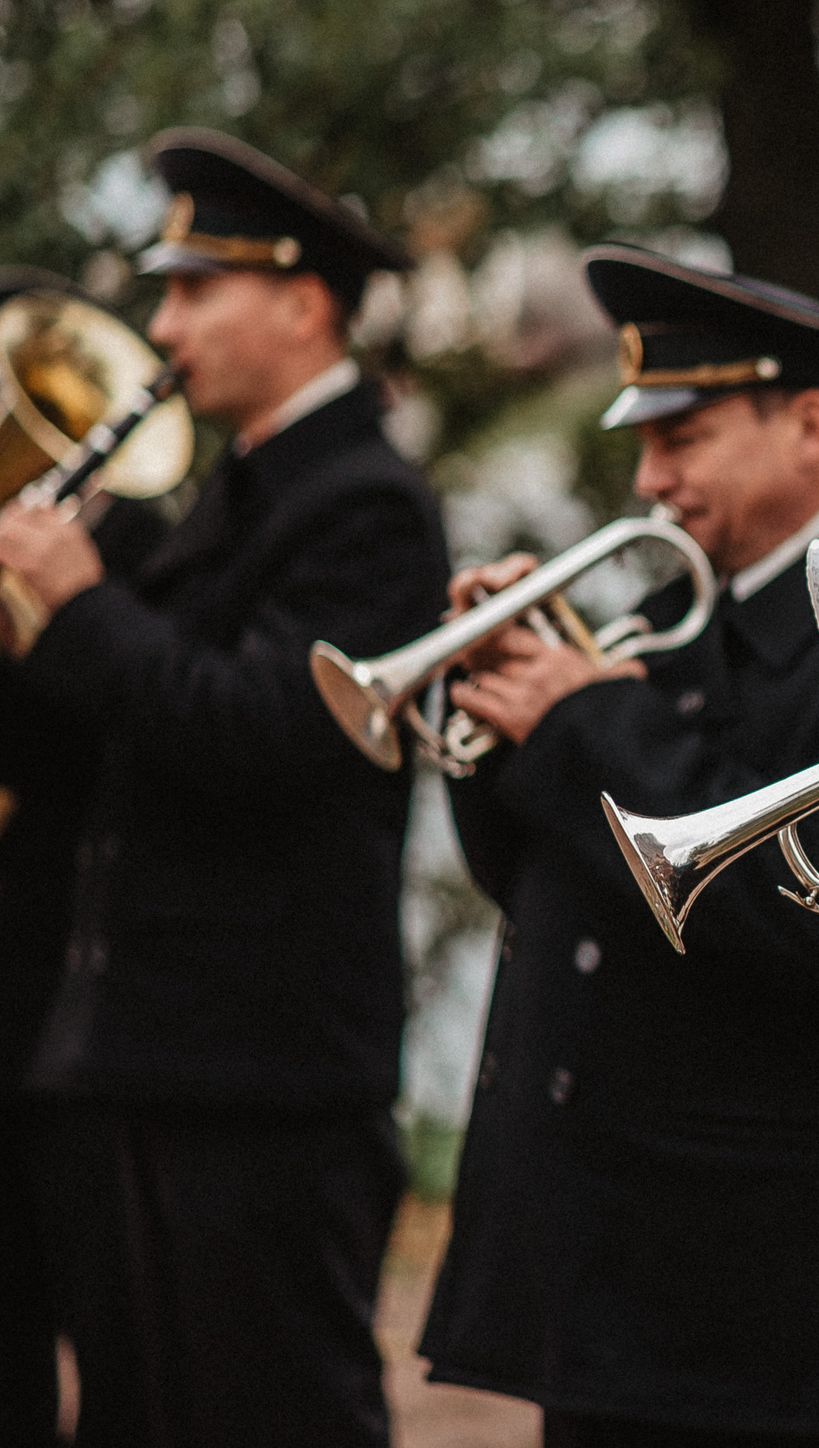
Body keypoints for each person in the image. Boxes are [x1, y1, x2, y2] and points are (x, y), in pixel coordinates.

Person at [416, 246, 819, 1448]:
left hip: (745, 1268)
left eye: (683, 438)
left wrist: (578, 716)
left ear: (810, 421)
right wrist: (495, 709)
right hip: (620, 1239)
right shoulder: (698, 596)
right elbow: (547, 878)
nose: (649, 478)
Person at [0, 131, 447, 1446]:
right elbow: (116, 747)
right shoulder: (232, 498)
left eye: (195, 292)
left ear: (304, 304)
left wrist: (77, 607)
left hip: (268, 1077)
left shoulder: (368, 505)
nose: (161, 323)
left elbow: (264, 731)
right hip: (158, 1058)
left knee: (275, 1414)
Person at [0, 272, 174, 1448]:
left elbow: (125, 732)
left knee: (114, 1348)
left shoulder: (136, 542)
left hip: (64, 990)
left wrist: (49, 616)